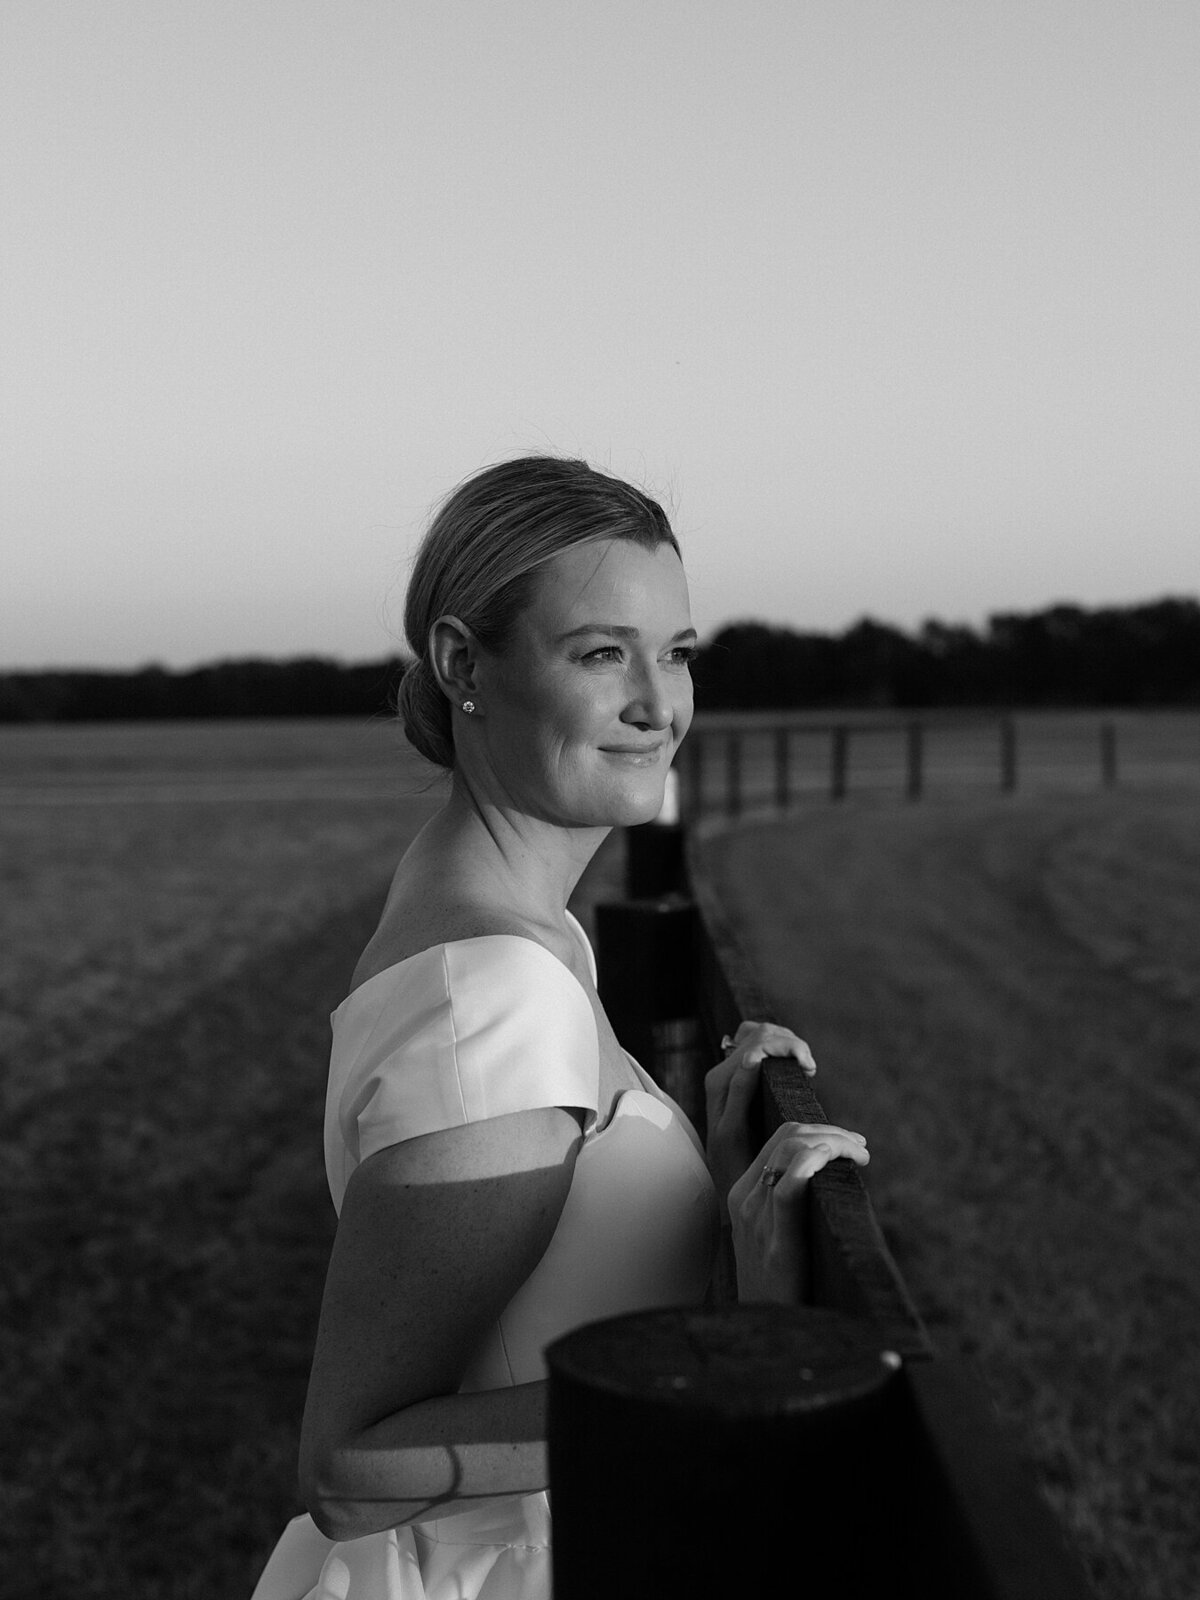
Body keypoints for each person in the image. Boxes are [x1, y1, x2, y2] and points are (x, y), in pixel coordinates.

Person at [250, 457, 868, 1600]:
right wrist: (716, 1376)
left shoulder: (520, 931)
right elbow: (348, 1463)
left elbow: (553, 1278)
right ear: (461, 664)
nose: (658, 702)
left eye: (677, 652)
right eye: (600, 653)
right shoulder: (495, 992)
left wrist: (703, 1175)